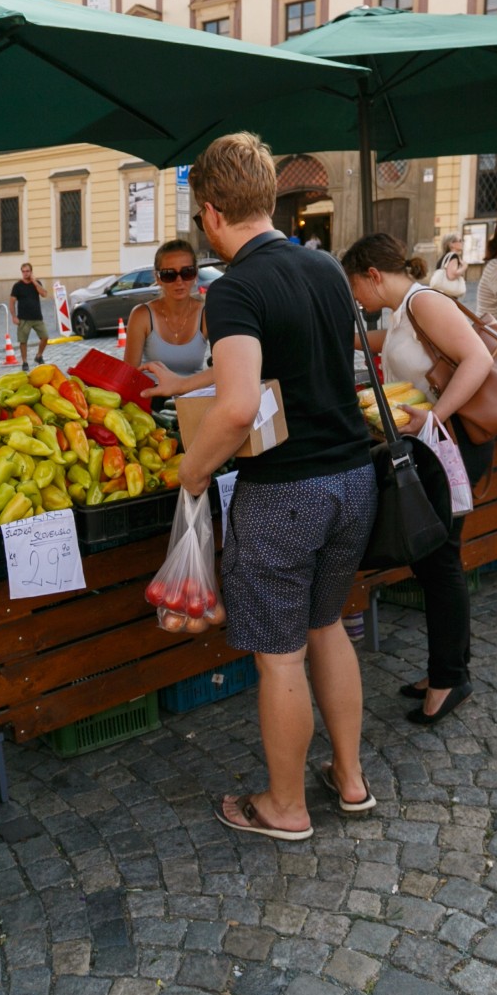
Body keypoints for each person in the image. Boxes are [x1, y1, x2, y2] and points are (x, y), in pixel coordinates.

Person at [166, 132, 377, 842]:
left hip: (287, 491)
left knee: (281, 655)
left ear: (212, 212)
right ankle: (350, 781)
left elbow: (234, 406)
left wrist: (193, 472)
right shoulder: (323, 268)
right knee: (329, 628)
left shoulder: (236, 290)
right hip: (354, 477)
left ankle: (285, 809)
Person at [342, 233, 493, 725]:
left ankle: (450, 680)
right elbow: (384, 345)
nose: (356, 300)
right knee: (433, 560)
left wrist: (435, 420)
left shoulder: (425, 300)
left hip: (451, 444)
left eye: (354, 289)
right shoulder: (402, 311)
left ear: (372, 275)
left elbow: (479, 359)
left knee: (441, 559)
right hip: (433, 445)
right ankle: (446, 668)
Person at [126, 239, 210, 379]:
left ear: (195, 274)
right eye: (169, 274)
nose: (179, 281)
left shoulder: (207, 315)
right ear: (158, 278)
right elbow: (129, 375)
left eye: (187, 272)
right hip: (152, 396)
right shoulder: (141, 315)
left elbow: (225, 367)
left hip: (191, 398)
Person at [10, 263, 47, 366]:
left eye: (27, 271)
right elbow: (12, 302)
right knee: (23, 341)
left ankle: (39, 356)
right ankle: (25, 362)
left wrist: (35, 282)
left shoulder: (37, 283)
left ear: (31, 272)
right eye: (23, 271)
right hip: (23, 319)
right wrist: (14, 316)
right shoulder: (17, 286)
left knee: (45, 337)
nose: (25, 273)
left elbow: (44, 294)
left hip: (37, 317)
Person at [432, 234, 469, 299]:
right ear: (451, 244)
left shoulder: (444, 257)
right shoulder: (453, 256)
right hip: (449, 296)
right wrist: (464, 267)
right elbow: (452, 276)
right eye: (460, 240)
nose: (462, 243)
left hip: (441, 295)